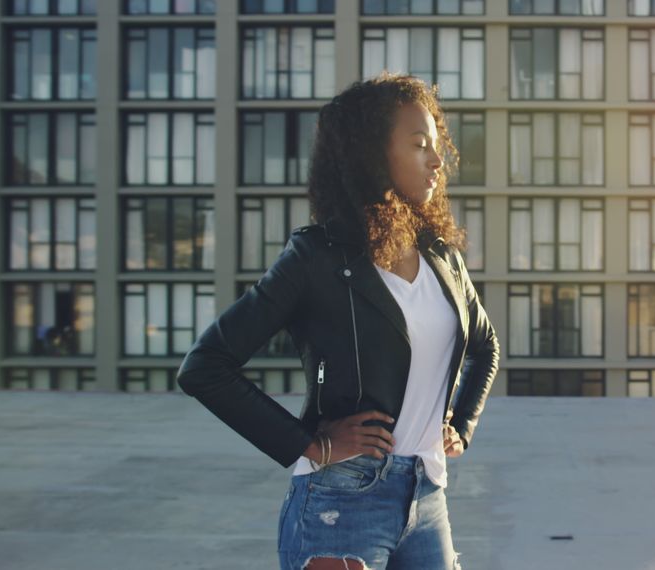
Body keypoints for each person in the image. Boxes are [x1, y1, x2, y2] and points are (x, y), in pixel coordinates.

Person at [176, 72, 500, 570]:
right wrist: (308, 443)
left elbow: (485, 344)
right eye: (419, 145)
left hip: (428, 496)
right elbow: (205, 366)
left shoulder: (440, 257)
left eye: (436, 146)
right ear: (372, 155)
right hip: (341, 504)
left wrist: (460, 421)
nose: (437, 161)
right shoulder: (315, 258)